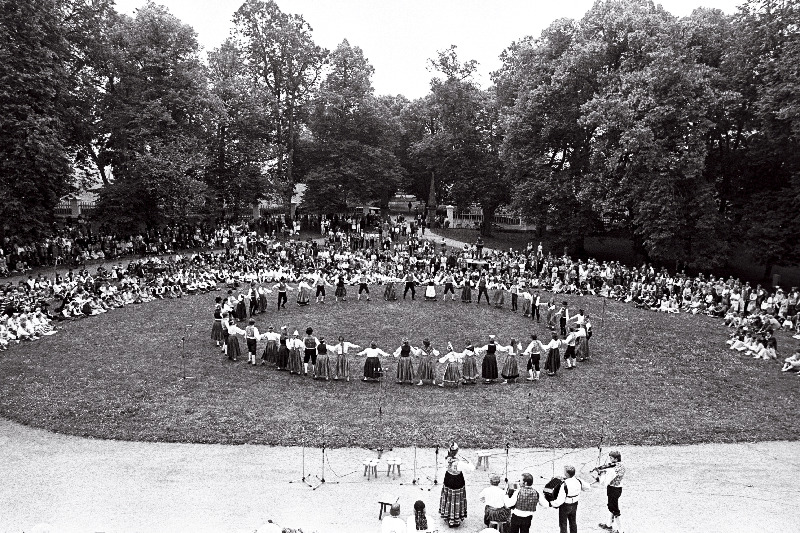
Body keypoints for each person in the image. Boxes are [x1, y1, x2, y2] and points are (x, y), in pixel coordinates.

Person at [546, 465, 590, 533]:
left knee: (563, 524)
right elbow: (588, 487)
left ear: (566, 474)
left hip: (565, 506)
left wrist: (551, 503)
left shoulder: (564, 484)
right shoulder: (578, 480)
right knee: (573, 522)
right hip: (575, 504)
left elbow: (560, 501)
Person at [440, 443, 474, 527]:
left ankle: (448, 516)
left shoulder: (447, 459)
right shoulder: (459, 463)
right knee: (457, 499)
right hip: (457, 480)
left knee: (448, 498)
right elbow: (471, 469)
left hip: (448, 478)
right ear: (457, 451)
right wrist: (468, 461)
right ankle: (455, 519)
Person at [595, 451, 625, 533]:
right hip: (618, 488)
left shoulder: (612, 470)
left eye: (611, 458)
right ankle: (608, 525)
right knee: (611, 506)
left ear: (616, 459)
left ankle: (621, 530)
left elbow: (605, 483)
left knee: (615, 509)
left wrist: (600, 475)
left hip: (612, 489)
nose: (610, 460)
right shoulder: (621, 465)